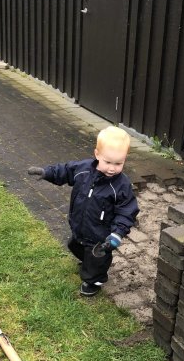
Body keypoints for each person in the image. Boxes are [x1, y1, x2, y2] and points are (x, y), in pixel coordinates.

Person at [28, 126, 139, 297]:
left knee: (98, 258)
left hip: (101, 234)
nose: (112, 168)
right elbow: (65, 171)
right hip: (80, 224)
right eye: (108, 162)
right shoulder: (84, 169)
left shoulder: (121, 185)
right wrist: (47, 173)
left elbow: (127, 211)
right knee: (74, 245)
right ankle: (88, 263)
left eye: (119, 163)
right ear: (97, 154)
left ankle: (94, 280)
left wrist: (117, 234)